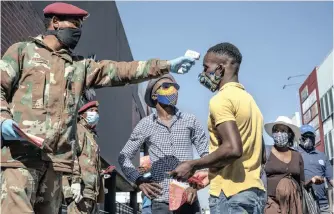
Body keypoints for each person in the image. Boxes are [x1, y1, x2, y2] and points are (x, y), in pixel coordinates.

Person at [0, 2, 196, 213]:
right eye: (73, 24)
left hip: (56, 165)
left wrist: (166, 66)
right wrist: (3, 118)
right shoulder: (22, 52)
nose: (77, 31)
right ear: (55, 22)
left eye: (80, 26)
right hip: (20, 158)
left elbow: (122, 71)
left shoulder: (78, 67)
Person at [169, 42, 266, 214]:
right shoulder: (251, 102)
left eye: (206, 67)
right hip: (254, 193)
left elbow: (233, 149)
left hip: (230, 195)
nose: (203, 73)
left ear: (220, 69)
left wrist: (193, 164)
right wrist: (210, 172)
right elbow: (261, 155)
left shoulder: (220, 100)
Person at [118, 74, 208, 214]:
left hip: (188, 199)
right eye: (166, 86)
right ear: (154, 95)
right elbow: (124, 156)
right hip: (160, 202)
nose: (173, 90)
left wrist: (196, 185)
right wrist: (139, 181)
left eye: (175, 87)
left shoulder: (191, 121)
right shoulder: (145, 125)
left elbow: (206, 155)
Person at [62, 92, 103, 214]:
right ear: (82, 114)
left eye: (97, 111)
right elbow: (73, 155)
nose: (95, 114)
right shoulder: (79, 130)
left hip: (90, 193)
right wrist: (75, 182)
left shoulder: (90, 135)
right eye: (92, 111)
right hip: (80, 192)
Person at [263, 116, 304, 214]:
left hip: (293, 205)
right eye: (276, 130)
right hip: (271, 203)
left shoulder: (297, 155)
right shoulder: (266, 152)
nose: (279, 133)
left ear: (289, 134)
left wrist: (312, 181)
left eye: (282, 130)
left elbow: (302, 182)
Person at [298, 124, 333, 214]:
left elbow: (332, 179)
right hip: (304, 205)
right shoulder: (295, 154)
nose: (309, 139)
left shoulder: (322, 156)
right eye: (306, 137)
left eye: (311, 137)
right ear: (300, 138)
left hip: (323, 205)